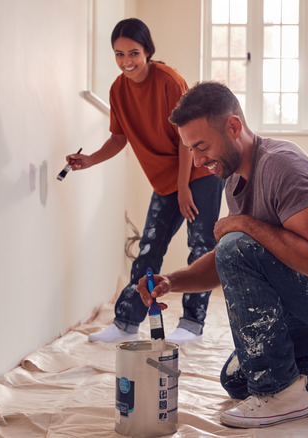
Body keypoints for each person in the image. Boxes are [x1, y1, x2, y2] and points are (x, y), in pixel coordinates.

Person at [137, 81, 308, 428]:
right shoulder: (234, 181)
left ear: (234, 127)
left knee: (239, 250)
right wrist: (171, 282)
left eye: (201, 146)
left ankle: (280, 394)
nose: (197, 160)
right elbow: (227, 261)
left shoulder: (283, 165)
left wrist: (244, 225)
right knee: (238, 379)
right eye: (190, 149)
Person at [67, 19, 224, 345]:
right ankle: (125, 322)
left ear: (147, 51)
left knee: (200, 248)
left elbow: (187, 139)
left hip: (201, 171)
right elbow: (119, 137)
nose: (127, 61)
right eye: (119, 54)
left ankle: (192, 325)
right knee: (148, 250)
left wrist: (184, 187)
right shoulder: (117, 90)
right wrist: (90, 160)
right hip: (167, 179)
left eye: (134, 53)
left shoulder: (169, 81)